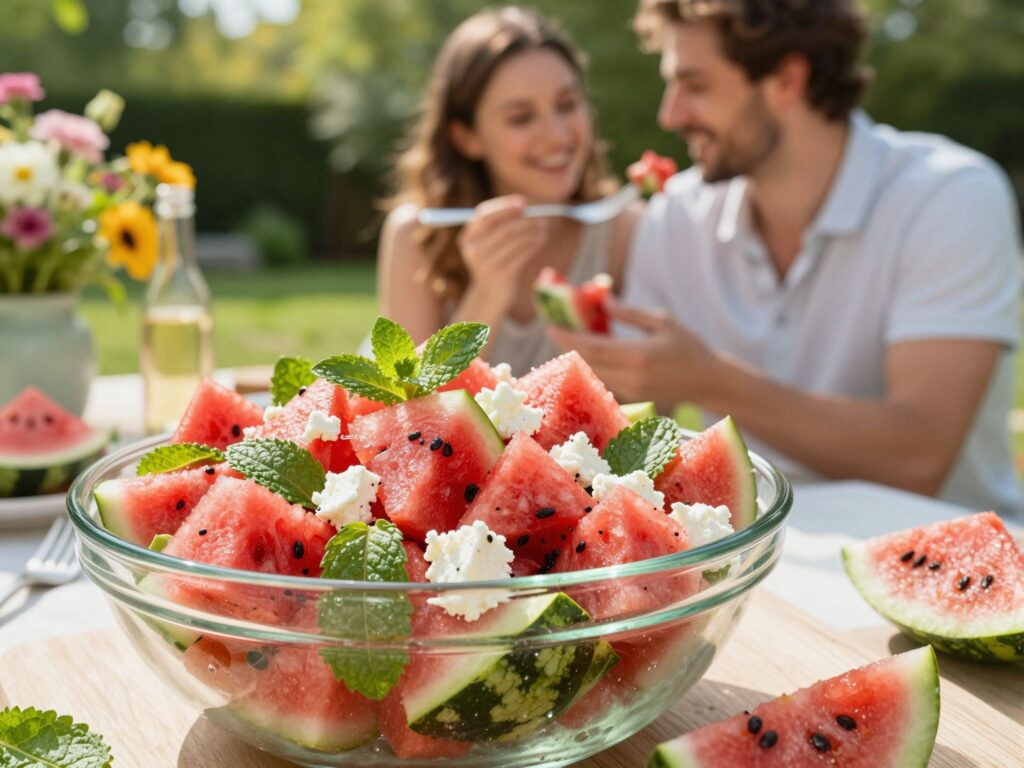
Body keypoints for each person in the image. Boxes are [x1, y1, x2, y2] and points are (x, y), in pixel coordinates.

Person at [549, 0, 1023, 517]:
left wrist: (708, 378)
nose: (671, 114)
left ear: (786, 79)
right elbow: (625, 450)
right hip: (759, 559)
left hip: (947, 552)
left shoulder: (950, 196)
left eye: (696, 85)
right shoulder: (675, 218)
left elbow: (920, 455)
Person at [376, 6, 641, 375]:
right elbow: (414, 412)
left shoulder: (624, 229)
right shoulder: (416, 234)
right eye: (521, 118)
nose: (558, 136)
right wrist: (488, 291)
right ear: (466, 137)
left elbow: (651, 410)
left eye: (567, 105)